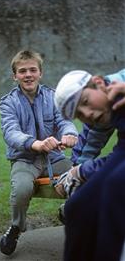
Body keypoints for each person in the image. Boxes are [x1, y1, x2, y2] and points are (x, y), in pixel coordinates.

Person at [0, 50, 78, 256]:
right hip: (25, 160)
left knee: (83, 176)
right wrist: (35, 144)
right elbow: (11, 132)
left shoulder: (52, 96)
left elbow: (64, 121)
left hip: (55, 158)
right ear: (14, 76)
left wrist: (69, 134)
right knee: (22, 189)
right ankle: (16, 228)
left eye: (33, 70)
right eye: (22, 71)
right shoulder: (8, 102)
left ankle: (67, 211)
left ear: (40, 73)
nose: (28, 75)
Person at [54, 70, 125, 261]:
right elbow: (99, 145)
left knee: (115, 184)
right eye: (79, 114)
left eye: (85, 101)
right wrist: (75, 172)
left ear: (98, 82)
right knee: (77, 207)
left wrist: (83, 171)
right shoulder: (107, 107)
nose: (87, 114)